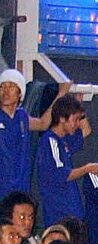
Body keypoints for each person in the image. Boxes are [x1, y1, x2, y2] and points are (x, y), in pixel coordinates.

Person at [1, 69, 72, 200]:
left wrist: (61, 93)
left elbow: (43, 123)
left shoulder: (22, 116)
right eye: (2, 86)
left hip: (20, 189)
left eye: (10, 86)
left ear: (19, 93)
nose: (5, 91)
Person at [35, 94, 92, 228]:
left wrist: (78, 105)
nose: (78, 124)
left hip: (72, 214)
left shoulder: (64, 140)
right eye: (75, 119)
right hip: (59, 215)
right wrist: (87, 168)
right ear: (61, 118)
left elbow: (86, 130)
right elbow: (62, 174)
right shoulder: (50, 141)